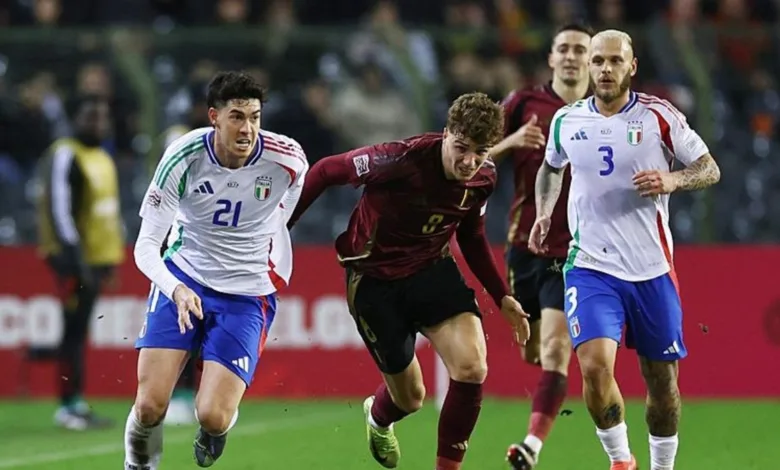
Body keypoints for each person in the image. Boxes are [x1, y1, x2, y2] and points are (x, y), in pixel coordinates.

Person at [287, 92, 530, 470]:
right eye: (461, 148)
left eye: (480, 152)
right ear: (447, 133)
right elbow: (325, 171)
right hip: (373, 282)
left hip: (432, 271)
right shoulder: (398, 159)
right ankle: (378, 418)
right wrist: (282, 227)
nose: (468, 162)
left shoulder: (484, 177)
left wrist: (502, 296)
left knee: (472, 368)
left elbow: (472, 236)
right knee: (411, 398)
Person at [528, 30, 720, 470]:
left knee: (663, 385)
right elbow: (550, 168)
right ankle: (620, 460)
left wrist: (672, 180)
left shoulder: (659, 117)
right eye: (598, 61)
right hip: (590, 266)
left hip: (651, 268)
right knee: (594, 367)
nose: (605, 69)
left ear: (631, 66)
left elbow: (709, 168)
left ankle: (662, 466)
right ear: (590, 66)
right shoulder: (568, 120)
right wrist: (543, 213)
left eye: (615, 61)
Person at [124, 71, 308, 470]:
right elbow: (145, 246)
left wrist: (265, 235)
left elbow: (288, 203)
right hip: (185, 275)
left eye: (255, 117)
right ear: (214, 117)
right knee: (151, 404)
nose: (248, 129)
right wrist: (175, 288)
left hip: (247, 291)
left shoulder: (287, 158)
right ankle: (138, 466)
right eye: (237, 117)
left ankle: (214, 429)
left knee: (212, 415)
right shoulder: (182, 156)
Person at [492, 23, 593, 469]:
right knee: (532, 351)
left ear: (592, 60)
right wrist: (512, 141)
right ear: (551, 58)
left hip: (573, 253)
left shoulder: (603, 112)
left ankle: (531, 446)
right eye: (564, 49)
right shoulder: (523, 104)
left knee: (555, 351)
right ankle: (546, 400)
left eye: (580, 50)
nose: (571, 56)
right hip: (522, 247)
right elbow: (468, 150)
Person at [36, 94, 124, 430]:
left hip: (96, 259)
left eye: (102, 117)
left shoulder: (101, 155)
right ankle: (68, 405)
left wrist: (110, 259)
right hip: (74, 259)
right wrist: (74, 260)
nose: (98, 124)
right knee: (72, 331)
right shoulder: (65, 153)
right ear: (75, 119)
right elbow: (60, 211)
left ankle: (76, 401)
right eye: (91, 117)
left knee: (79, 329)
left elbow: (106, 213)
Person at [156, 87, 212, 427]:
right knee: (183, 324)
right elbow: (165, 192)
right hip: (179, 242)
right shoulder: (180, 142)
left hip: (208, 246)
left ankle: (194, 394)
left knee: (203, 324)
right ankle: (176, 394)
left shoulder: (215, 144)